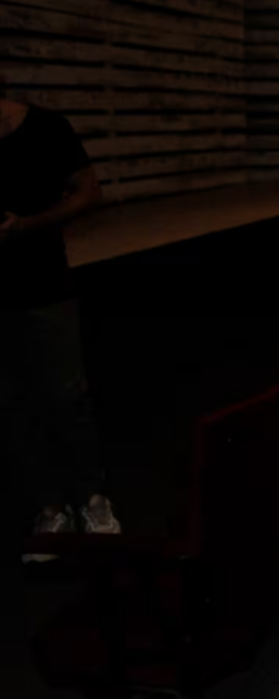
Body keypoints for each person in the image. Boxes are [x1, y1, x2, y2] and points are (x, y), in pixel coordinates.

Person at [0, 95, 120, 562]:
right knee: (11, 406)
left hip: (45, 283)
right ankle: (49, 507)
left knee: (67, 396)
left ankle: (92, 499)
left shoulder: (47, 128)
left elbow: (89, 192)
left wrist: (28, 225)